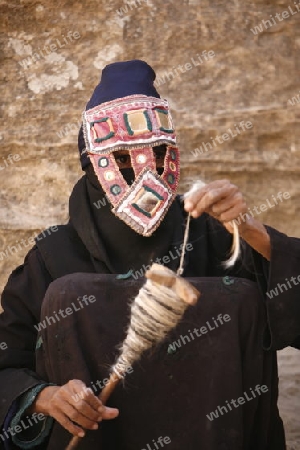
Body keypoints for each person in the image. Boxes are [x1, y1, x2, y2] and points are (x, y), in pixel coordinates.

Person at [0, 59, 299, 450]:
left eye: (157, 153)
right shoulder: (52, 257)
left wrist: (252, 230)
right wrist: (45, 398)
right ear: (91, 163)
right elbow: (6, 365)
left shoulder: (213, 236)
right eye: (121, 159)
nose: (144, 173)